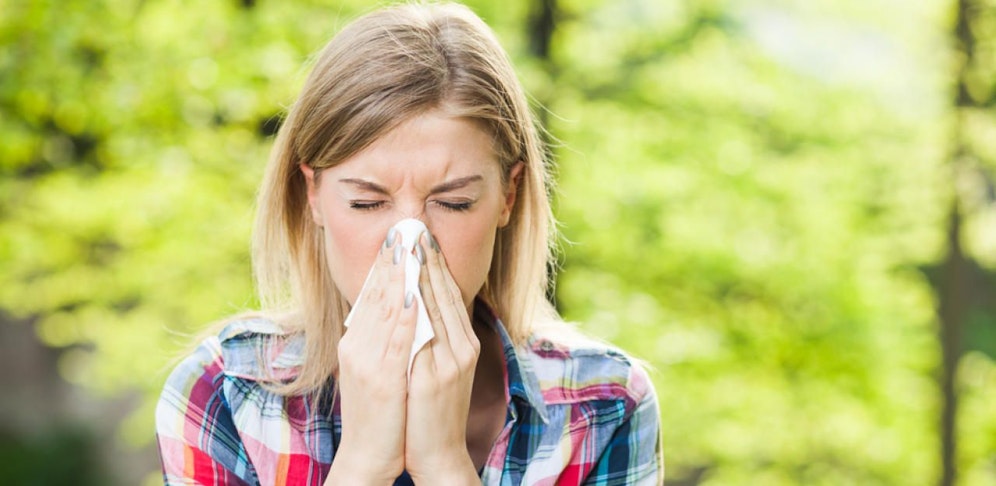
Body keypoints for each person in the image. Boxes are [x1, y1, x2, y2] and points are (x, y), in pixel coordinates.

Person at [155, 2, 662, 484]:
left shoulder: (604, 406)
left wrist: (443, 465)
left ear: (508, 196)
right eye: (367, 203)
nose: (411, 246)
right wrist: (363, 465)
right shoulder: (224, 393)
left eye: (454, 202)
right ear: (313, 195)